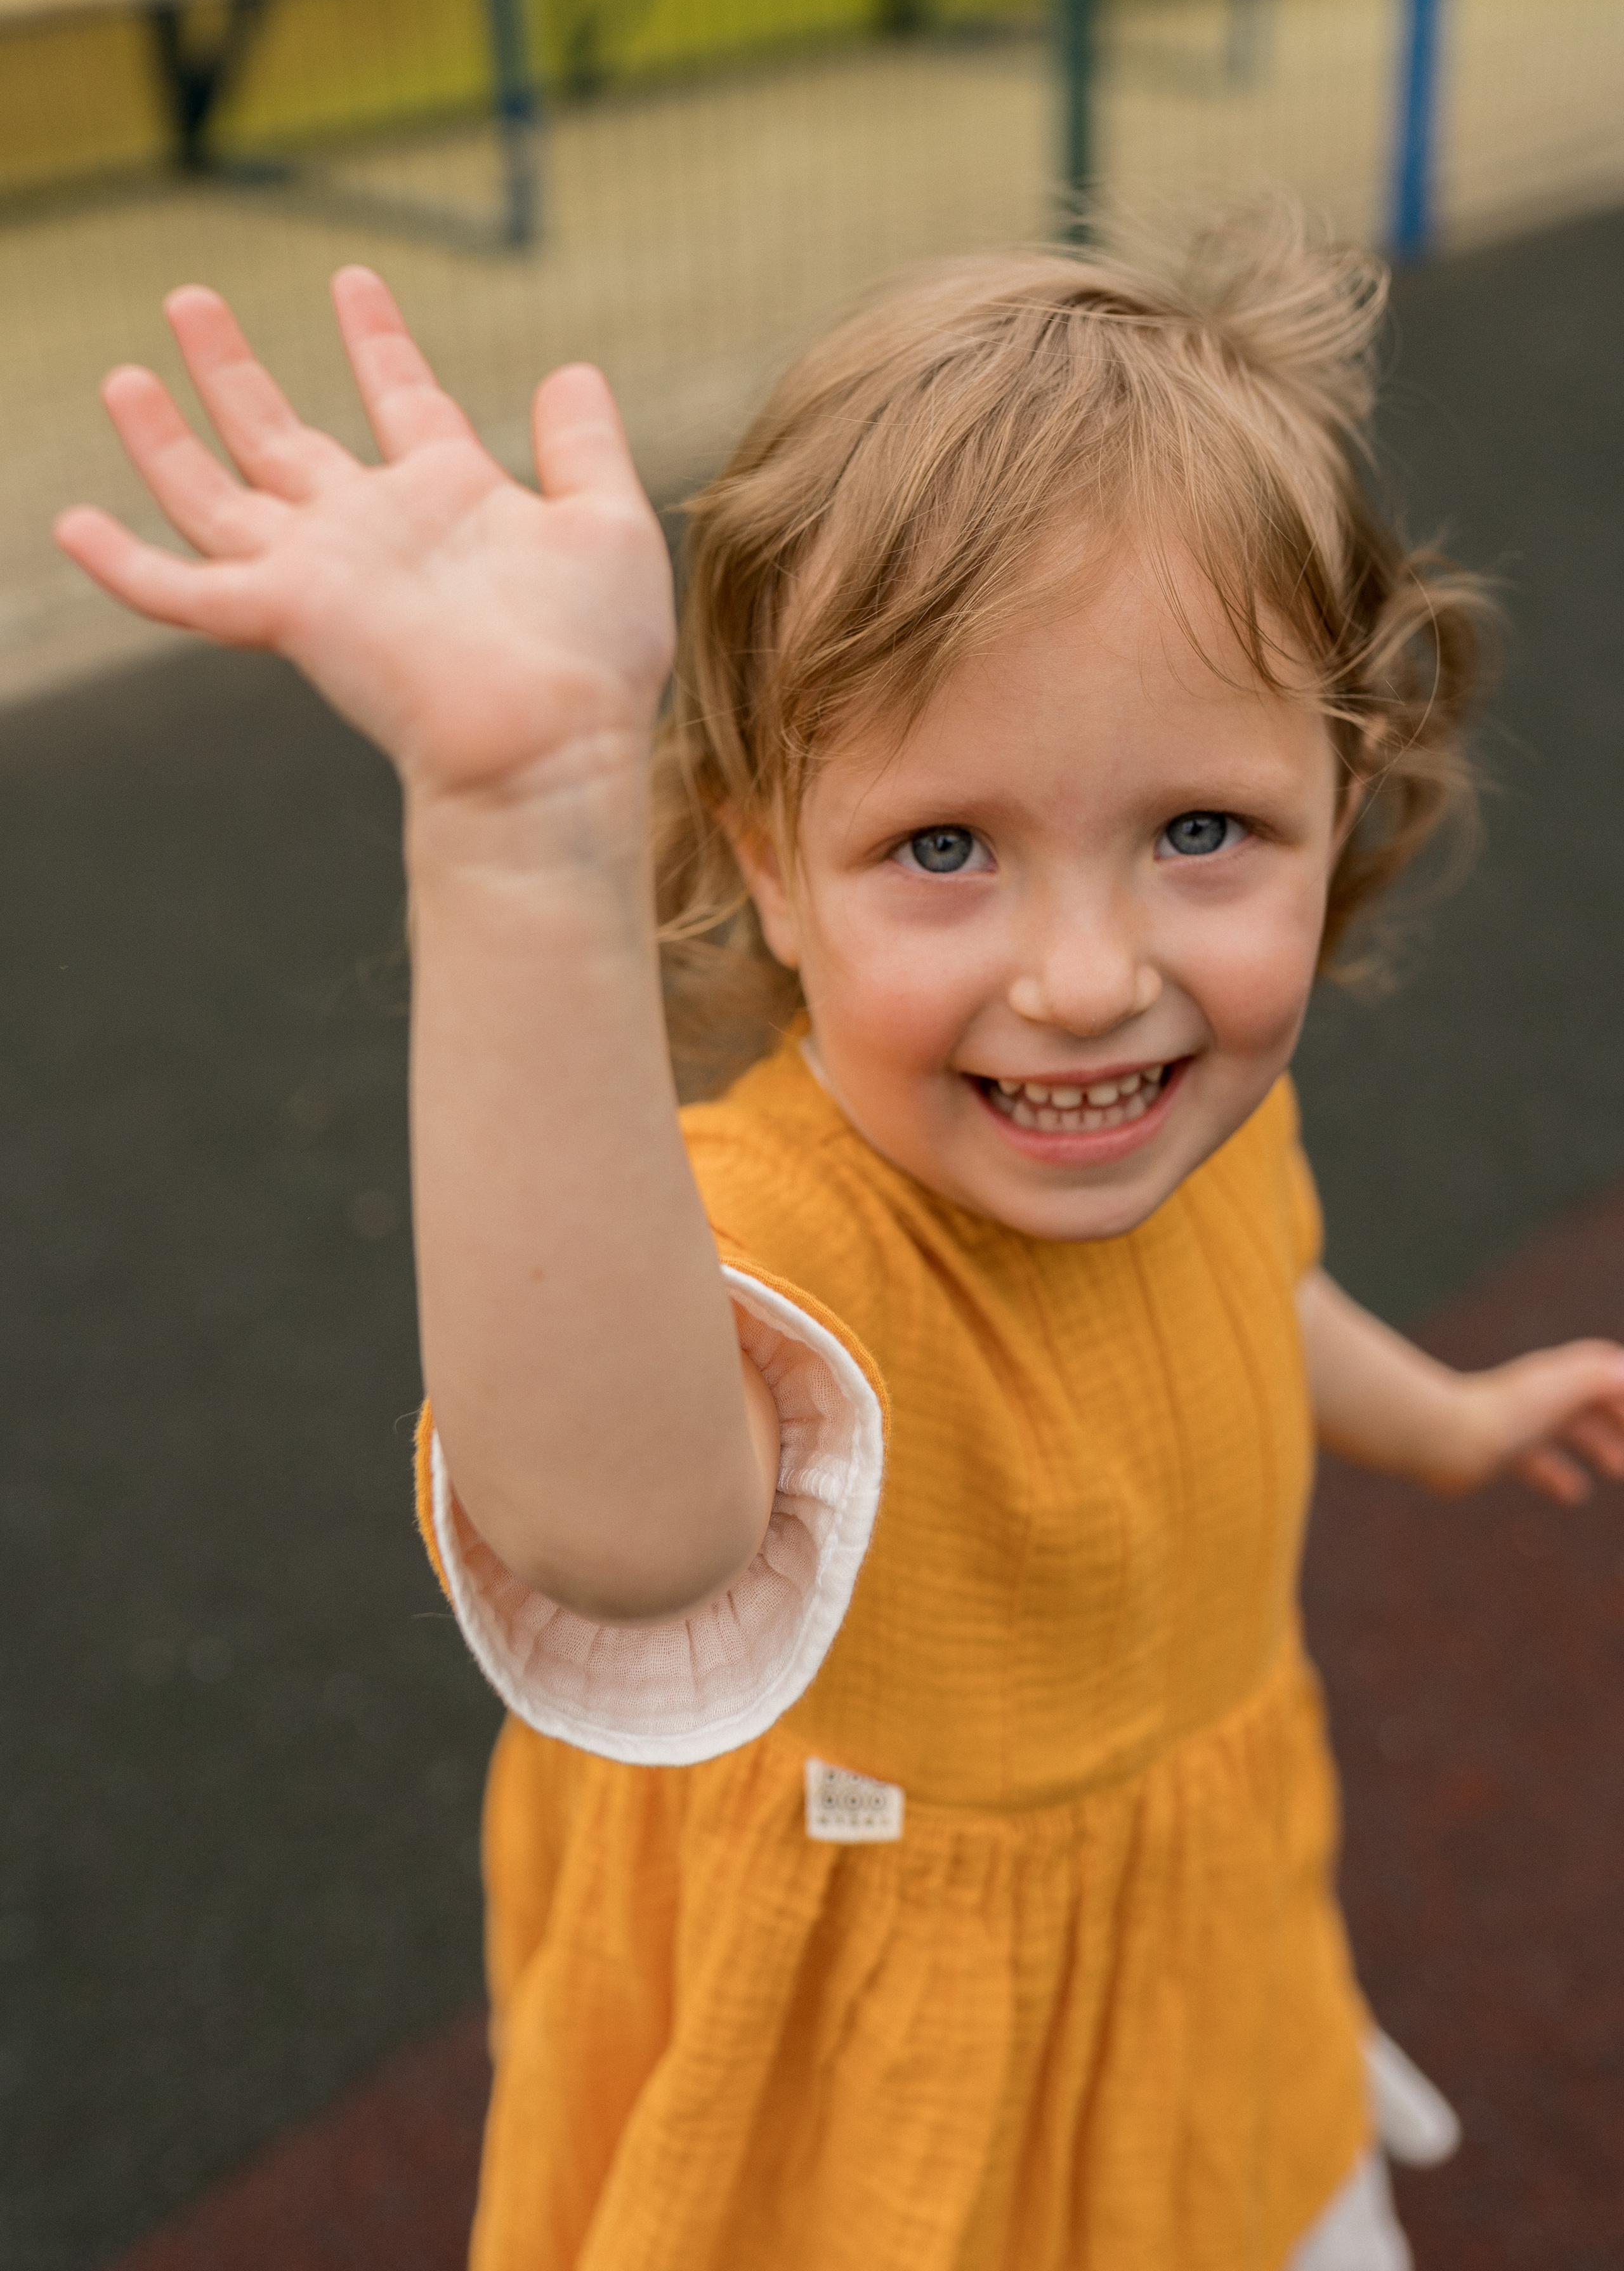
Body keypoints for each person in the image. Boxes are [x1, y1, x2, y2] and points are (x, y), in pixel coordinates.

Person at [56, 209, 1624, 2271]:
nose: (1087, 980)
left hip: (1194, 1938)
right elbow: (621, 1535)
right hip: (879, 2066)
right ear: (770, 873)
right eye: (944, 848)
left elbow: (1256, 1296)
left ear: (1343, 804)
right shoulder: (775, 1232)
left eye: (1200, 833)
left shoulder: (1207, 1128)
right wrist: (522, 834)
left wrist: (1442, 1415)